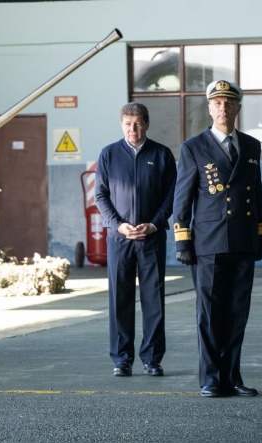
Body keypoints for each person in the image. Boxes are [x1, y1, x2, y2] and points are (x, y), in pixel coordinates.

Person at [173, 80, 262, 398]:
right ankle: (211, 379)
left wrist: (261, 234)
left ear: (238, 108)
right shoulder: (193, 147)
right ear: (209, 108)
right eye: (217, 103)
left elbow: (256, 195)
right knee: (210, 315)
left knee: (238, 312)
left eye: (229, 103)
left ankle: (232, 377)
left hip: (242, 241)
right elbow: (182, 198)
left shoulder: (252, 146)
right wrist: (182, 240)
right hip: (209, 244)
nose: (223, 108)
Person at [95, 103, 176, 378]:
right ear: (121, 125)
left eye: (138, 123)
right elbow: (101, 196)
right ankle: (122, 359)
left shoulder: (162, 155)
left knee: (154, 299)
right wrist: (119, 226)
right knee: (120, 298)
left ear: (147, 124)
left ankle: (152, 359)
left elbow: (171, 196)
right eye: (128, 123)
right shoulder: (109, 155)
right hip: (120, 239)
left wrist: (153, 225)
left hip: (151, 238)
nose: (133, 128)